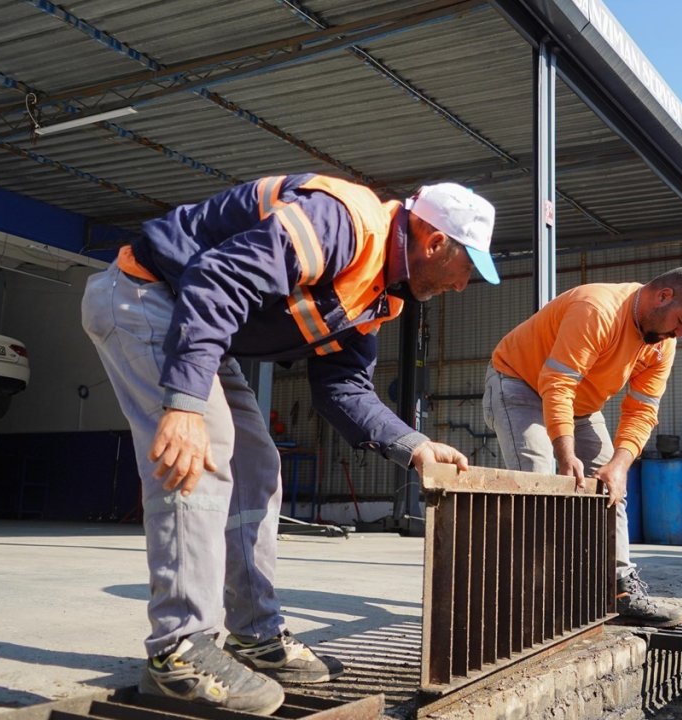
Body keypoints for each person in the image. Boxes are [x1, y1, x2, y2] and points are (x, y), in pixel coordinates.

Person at [81, 174, 497, 714]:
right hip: (147, 296)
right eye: (465, 270)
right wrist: (184, 403)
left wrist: (412, 445)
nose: (461, 287)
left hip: (200, 323)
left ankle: (255, 635)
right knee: (204, 453)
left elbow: (342, 386)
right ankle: (178, 650)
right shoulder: (345, 222)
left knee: (256, 464)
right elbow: (218, 279)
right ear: (435, 241)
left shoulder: (377, 294)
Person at [482, 265, 682, 627]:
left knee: (612, 485)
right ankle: (526, 599)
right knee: (535, 477)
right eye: (681, 322)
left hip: (580, 405)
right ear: (664, 296)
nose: (680, 334)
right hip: (519, 383)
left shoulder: (662, 344)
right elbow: (557, 384)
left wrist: (620, 466)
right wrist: (566, 456)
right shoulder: (598, 309)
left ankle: (619, 589)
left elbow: (642, 411)